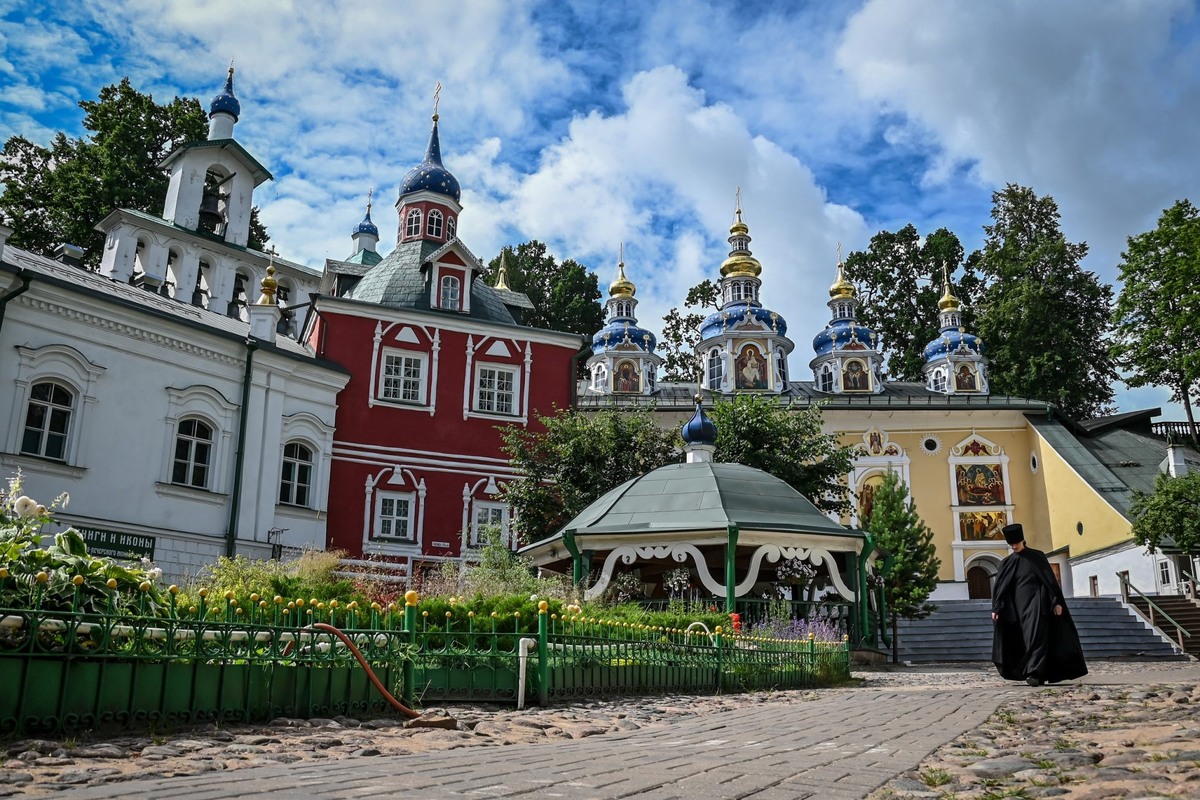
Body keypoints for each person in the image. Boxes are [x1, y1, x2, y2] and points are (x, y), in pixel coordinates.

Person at [991, 523, 1087, 686]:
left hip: (1038, 604)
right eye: (1011, 545)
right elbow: (1001, 588)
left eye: (1016, 543)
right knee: (1023, 640)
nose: (1014, 547)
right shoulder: (1007, 563)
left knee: (1036, 637)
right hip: (1016, 609)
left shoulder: (1037, 556)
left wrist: (1055, 602)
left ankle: (1034, 673)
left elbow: (1049, 581)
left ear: (1023, 541)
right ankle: (1038, 673)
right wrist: (997, 607)